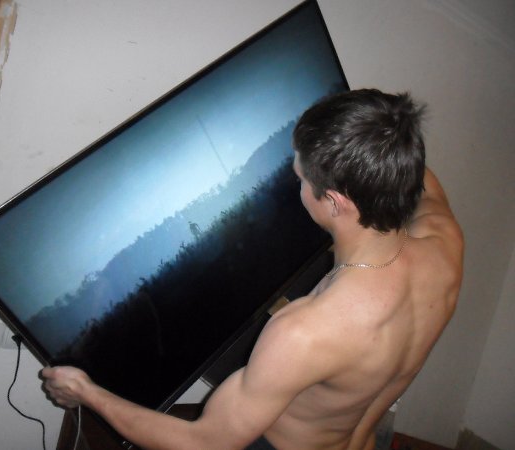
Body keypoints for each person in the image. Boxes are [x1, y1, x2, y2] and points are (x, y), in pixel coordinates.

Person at [42, 89, 464, 450]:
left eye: (301, 178)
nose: (297, 184)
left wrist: (86, 392)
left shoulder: (303, 332)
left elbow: (204, 443)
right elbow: (409, 169)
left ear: (335, 202)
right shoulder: (445, 245)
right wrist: (361, 128)